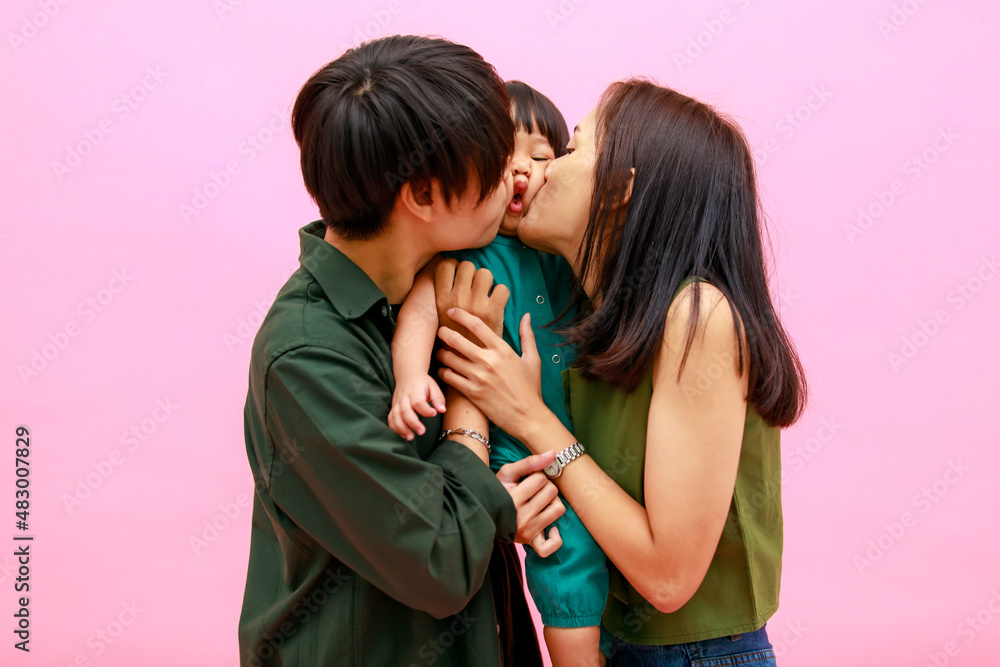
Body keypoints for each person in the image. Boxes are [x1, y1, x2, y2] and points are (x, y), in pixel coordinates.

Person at [432, 79, 808, 666]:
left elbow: (667, 578)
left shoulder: (697, 315)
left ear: (619, 187)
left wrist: (529, 416)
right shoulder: (587, 315)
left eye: (572, 149)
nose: (546, 169)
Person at [238, 36, 566, 667]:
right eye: (495, 158)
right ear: (421, 196)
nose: (513, 176)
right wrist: (474, 394)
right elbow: (437, 558)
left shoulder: (440, 282)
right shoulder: (305, 355)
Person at [388, 81, 610, 667]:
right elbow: (419, 311)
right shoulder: (468, 248)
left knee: (606, 544)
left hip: (581, 441)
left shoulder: (562, 248)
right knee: (566, 554)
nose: (520, 171)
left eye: (540, 159)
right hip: (517, 453)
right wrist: (412, 377)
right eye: (502, 158)